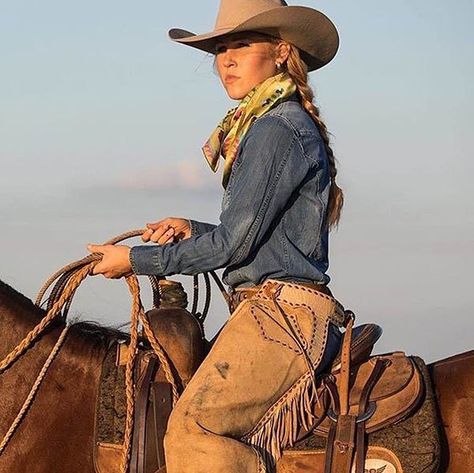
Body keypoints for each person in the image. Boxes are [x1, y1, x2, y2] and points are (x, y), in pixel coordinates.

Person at [87, 1, 346, 471]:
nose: (225, 59)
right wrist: (193, 229)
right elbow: (258, 240)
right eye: (220, 49)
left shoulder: (274, 129)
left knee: (190, 433)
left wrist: (135, 261)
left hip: (283, 317)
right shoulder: (268, 125)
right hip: (271, 311)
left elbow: (232, 247)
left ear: (282, 52)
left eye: (241, 45)